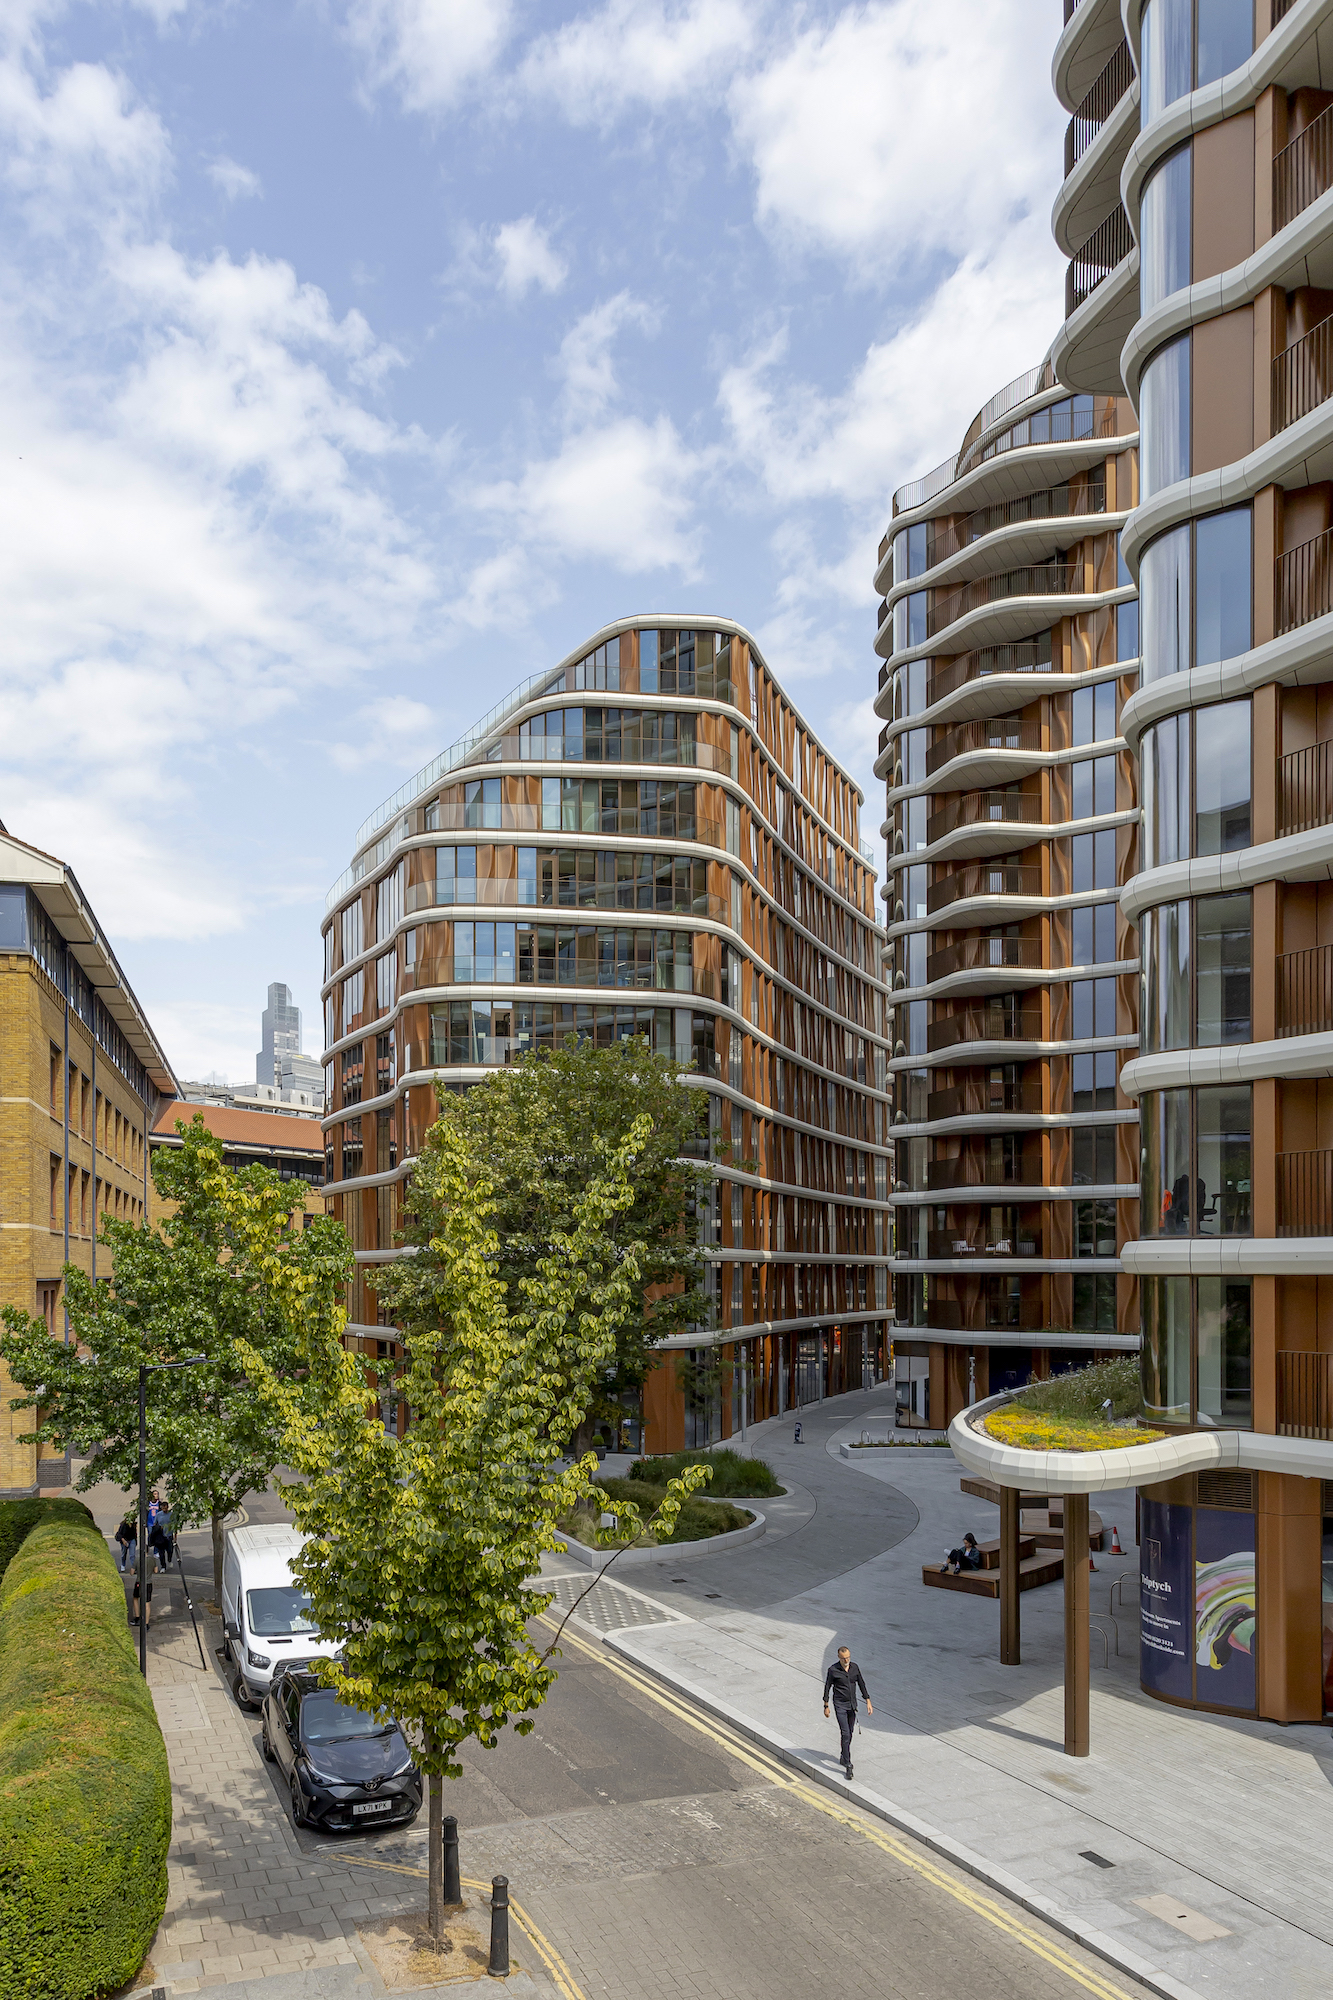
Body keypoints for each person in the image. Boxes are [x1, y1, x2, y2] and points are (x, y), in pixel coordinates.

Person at [822, 1646, 872, 1780]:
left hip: (852, 1705)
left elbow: (861, 1683)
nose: (846, 1660)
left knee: (850, 1733)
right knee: (845, 1733)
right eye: (844, 1658)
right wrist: (826, 1705)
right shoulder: (833, 1670)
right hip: (840, 1705)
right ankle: (848, 1764)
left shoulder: (854, 1667)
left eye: (848, 1657)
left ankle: (843, 1756)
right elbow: (827, 1687)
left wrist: (868, 1700)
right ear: (839, 1657)